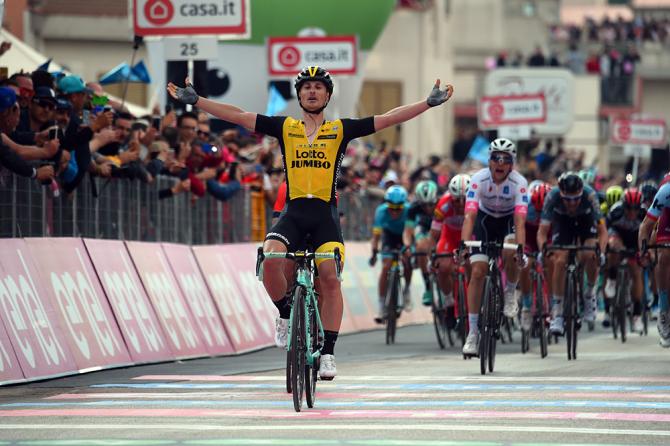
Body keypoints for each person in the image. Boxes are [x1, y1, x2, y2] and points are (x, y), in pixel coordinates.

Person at [168, 66, 453, 379]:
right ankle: (285, 314)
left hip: (324, 217)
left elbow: (386, 118)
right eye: (307, 88)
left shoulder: (340, 129)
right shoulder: (285, 127)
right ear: (299, 94)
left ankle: (328, 352)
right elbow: (239, 115)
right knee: (271, 255)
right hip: (293, 213)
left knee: (329, 277)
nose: (312, 92)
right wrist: (197, 102)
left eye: (319, 87)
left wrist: (427, 103)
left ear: (327, 95)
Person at [459, 138, 529, 356]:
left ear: (512, 163)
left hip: (508, 220)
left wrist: (520, 249)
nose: (500, 163)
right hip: (484, 220)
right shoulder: (478, 179)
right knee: (478, 272)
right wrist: (463, 244)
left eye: (505, 159)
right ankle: (472, 334)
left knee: (510, 251)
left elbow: (519, 221)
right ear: (489, 161)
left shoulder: (520, 183)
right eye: (495, 158)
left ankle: (509, 292)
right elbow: (469, 215)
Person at [537, 172, 608, 336]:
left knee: (590, 254)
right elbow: (542, 232)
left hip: (586, 220)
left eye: (576, 199)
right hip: (563, 222)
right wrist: (542, 250)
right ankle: (558, 311)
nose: (572, 203)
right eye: (567, 199)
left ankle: (589, 294)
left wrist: (601, 253)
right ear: (561, 195)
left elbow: (602, 231)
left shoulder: (590, 195)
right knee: (560, 260)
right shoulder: (553, 196)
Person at [604, 187, 645, 333]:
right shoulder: (615, 212)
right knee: (614, 248)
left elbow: (649, 234)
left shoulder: (644, 214)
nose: (632, 212)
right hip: (618, 236)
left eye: (636, 208)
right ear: (623, 205)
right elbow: (604, 233)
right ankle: (612, 279)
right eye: (629, 208)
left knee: (636, 271)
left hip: (635, 239)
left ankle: (637, 315)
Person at [429, 174, 470, 320]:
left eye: (464, 199)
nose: (460, 203)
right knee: (443, 267)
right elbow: (434, 234)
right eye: (456, 200)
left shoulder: (476, 203)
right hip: (449, 236)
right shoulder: (444, 204)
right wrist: (432, 255)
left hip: (469, 237)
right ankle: (448, 300)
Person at [370, 185, 412, 323]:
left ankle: (406, 289)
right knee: (385, 267)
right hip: (389, 237)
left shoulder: (409, 210)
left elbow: (410, 233)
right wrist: (374, 252)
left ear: (403, 205)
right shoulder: (381, 211)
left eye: (398, 208)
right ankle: (382, 305)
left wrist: (408, 248)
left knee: (407, 260)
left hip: (404, 235)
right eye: (391, 207)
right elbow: (376, 236)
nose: (394, 211)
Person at [639, 179, 670, 347]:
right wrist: (643, 251)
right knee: (664, 254)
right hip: (668, 219)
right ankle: (664, 308)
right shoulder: (666, 191)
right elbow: (645, 226)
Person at [519, 182, 553, 332]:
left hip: (548, 236)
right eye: (537, 210)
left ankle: (552, 302)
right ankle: (526, 305)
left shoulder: (555, 206)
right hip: (529, 238)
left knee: (552, 262)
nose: (540, 214)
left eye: (542, 210)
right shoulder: (525, 205)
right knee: (525, 264)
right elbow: (518, 227)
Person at [403, 180, 439, 310]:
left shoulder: (442, 203)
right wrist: (408, 245)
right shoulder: (413, 208)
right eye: (424, 205)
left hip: (440, 228)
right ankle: (428, 286)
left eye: (430, 204)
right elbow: (408, 232)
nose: (428, 208)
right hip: (423, 228)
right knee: (420, 248)